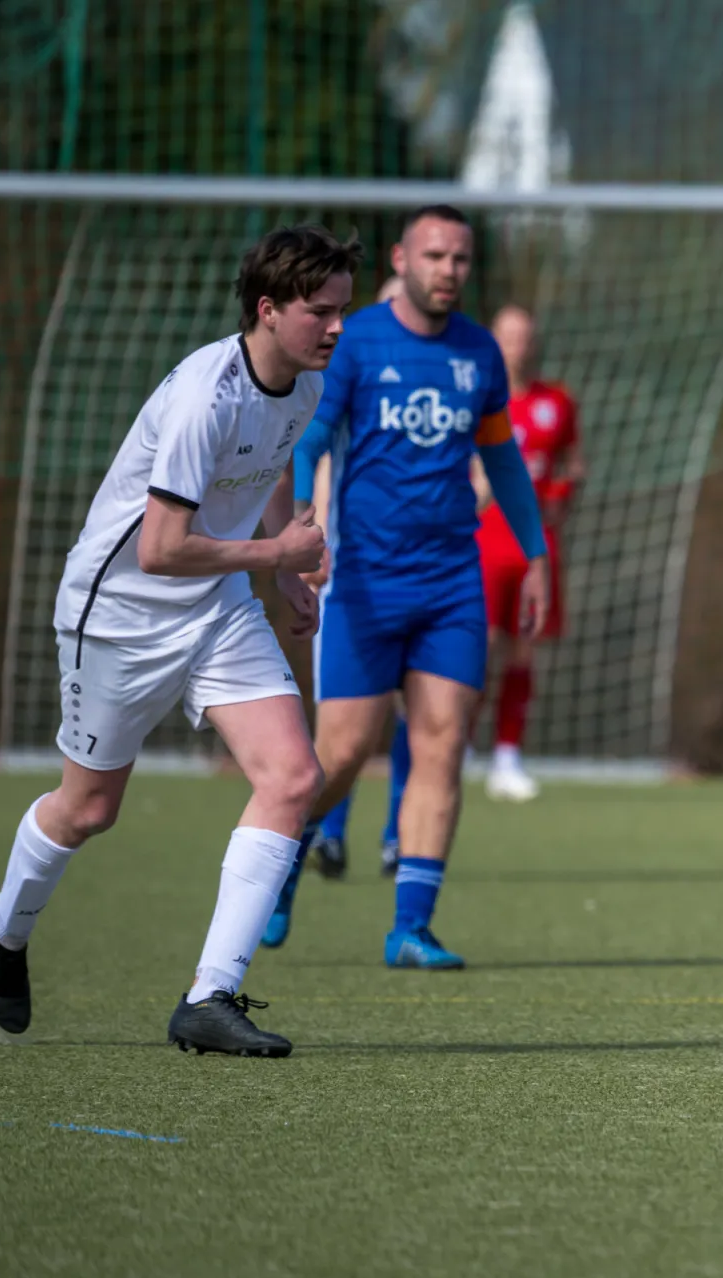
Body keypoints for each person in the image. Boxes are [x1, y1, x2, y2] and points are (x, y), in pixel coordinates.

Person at [0, 225, 357, 1056]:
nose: (335, 328)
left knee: (293, 777)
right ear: (267, 309)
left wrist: (282, 564)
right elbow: (160, 548)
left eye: (342, 311)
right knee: (89, 809)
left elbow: (271, 468)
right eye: (320, 312)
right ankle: (3, 927)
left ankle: (209, 998)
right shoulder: (203, 398)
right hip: (119, 618)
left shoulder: (305, 385)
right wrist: (277, 556)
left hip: (216, 608)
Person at [259, 204, 549, 969]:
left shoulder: (480, 353)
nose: (448, 270)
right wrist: (304, 528)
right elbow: (311, 440)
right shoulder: (356, 341)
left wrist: (536, 554)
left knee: (442, 744)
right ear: (402, 259)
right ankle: (288, 857)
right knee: (344, 751)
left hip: (452, 582)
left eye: (460, 258)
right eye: (434, 255)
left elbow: (504, 461)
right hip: (366, 579)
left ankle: (410, 929)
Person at [311, 274, 413, 880]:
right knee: (344, 729)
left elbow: (479, 473)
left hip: (422, 580)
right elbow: (320, 463)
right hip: (354, 580)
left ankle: (398, 837)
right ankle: (327, 833)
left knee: (417, 714)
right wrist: (315, 540)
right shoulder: (351, 382)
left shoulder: (443, 392)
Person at [471, 303, 583, 802]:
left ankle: (507, 756)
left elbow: (573, 464)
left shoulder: (557, 401)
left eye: (524, 337)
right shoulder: (475, 398)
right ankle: (457, 744)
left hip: (535, 544)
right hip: (483, 540)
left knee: (523, 649)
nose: (517, 346)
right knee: (476, 648)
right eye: (508, 336)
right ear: (493, 341)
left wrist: (562, 494)